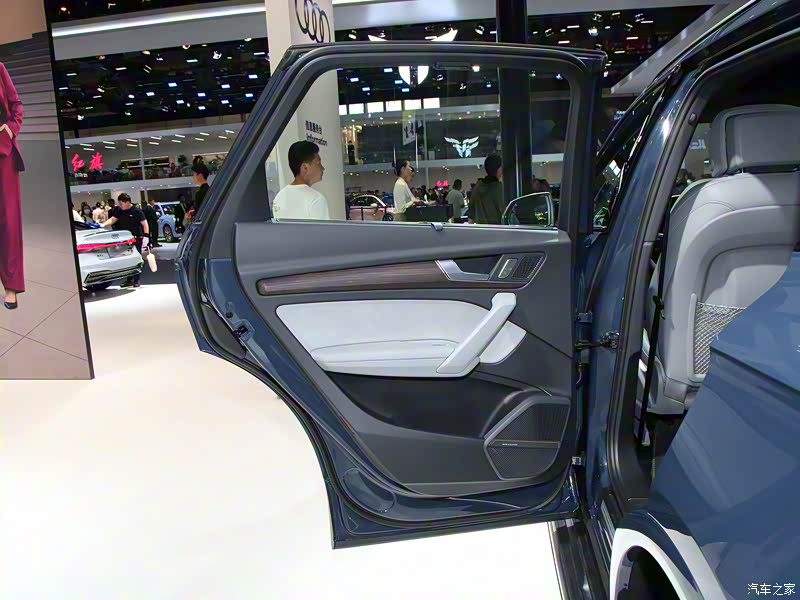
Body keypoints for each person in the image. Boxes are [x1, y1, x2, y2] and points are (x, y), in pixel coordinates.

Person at [0, 61, 25, 310]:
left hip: (3, 153)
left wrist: (11, 128)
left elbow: (16, 104)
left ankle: (11, 285)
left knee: (9, 221)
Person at [272, 141, 330, 220]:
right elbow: (322, 228)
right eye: (318, 163)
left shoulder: (279, 197)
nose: (322, 168)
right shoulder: (316, 199)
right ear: (305, 168)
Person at [101, 192, 149, 288]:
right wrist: (103, 224)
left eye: (121, 203)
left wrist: (146, 236)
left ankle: (136, 280)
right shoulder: (119, 210)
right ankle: (129, 280)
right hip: (125, 239)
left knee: (136, 259)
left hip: (136, 238)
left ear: (127, 202)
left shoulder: (137, 211)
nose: (120, 205)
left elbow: (145, 224)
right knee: (126, 259)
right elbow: (113, 219)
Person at [467, 154, 505, 225]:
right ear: (499, 169)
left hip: (482, 230)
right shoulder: (500, 189)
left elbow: (471, 217)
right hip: (499, 230)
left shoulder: (477, 188)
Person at [184, 159, 210, 224]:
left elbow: (199, 213)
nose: (193, 177)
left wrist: (192, 215)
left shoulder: (200, 193)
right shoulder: (208, 189)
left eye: (194, 174)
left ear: (200, 175)